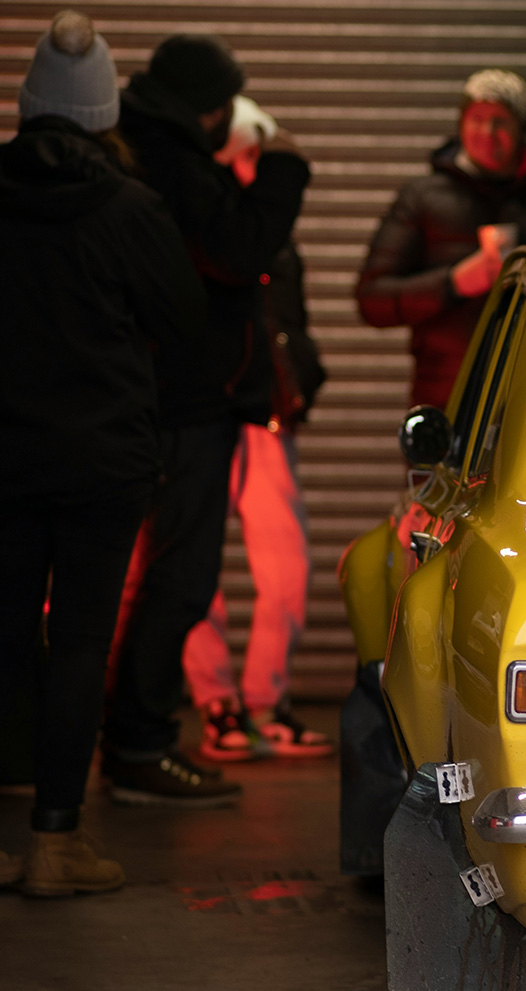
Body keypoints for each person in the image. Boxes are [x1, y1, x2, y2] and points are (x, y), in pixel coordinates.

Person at [0, 11, 206, 892]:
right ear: (101, 111)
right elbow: (185, 330)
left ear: (30, 103)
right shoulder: (131, 209)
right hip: (101, 463)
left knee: (4, 635)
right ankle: (56, 842)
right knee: (81, 640)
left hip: (1, 462)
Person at [99, 33, 312, 804]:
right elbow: (239, 245)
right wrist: (284, 164)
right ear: (214, 107)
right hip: (184, 406)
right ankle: (140, 745)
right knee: (180, 579)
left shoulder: (140, 148)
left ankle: (128, 738)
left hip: (159, 401)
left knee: (153, 578)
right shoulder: (175, 163)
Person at [182, 96, 333, 761]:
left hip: (267, 411)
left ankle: (267, 702)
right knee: (195, 561)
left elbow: (288, 318)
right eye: (245, 155)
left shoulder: (270, 226)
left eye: (258, 156)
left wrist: (304, 370)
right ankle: (216, 705)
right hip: (209, 408)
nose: (254, 169)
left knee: (287, 565)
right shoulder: (202, 219)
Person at [355, 69, 526, 409]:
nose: (487, 132)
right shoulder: (423, 198)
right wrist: (452, 283)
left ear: (522, 128)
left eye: (500, 121)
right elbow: (372, 300)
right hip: (446, 397)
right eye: (476, 118)